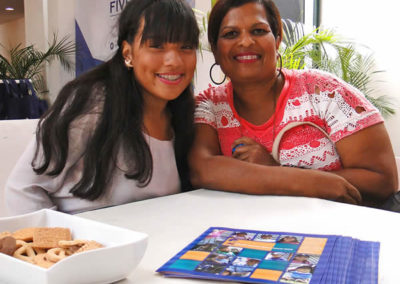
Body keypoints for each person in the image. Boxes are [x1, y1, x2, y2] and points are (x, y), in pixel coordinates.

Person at [189, 0, 398, 206]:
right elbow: (201, 169)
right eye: (230, 34)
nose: (246, 42)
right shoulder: (209, 106)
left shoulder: (324, 92)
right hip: (247, 233)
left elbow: (382, 180)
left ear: (277, 40)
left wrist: (277, 169)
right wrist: (305, 181)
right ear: (215, 50)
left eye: (259, 31)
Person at [5, 0, 199, 215]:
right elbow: (23, 190)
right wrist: (62, 244)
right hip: (87, 243)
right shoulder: (92, 104)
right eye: (156, 45)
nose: (174, 61)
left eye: (186, 47)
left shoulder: (183, 115)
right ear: (128, 53)